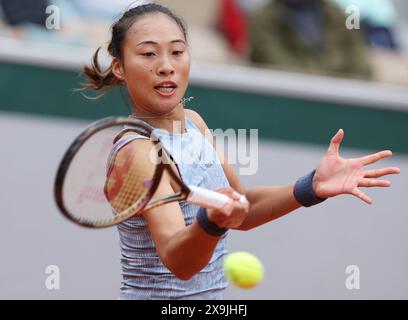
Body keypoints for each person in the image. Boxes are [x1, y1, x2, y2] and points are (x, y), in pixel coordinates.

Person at [81, 3, 400, 300]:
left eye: (177, 52)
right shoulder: (137, 153)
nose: (166, 66)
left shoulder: (193, 123)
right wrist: (211, 223)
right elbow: (179, 260)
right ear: (120, 67)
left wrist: (310, 187)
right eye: (148, 54)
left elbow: (241, 207)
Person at [248, 0, 372, 79]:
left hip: (341, 105)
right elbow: (278, 66)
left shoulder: (339, 16)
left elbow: (361, 67)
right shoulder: (263, 20)